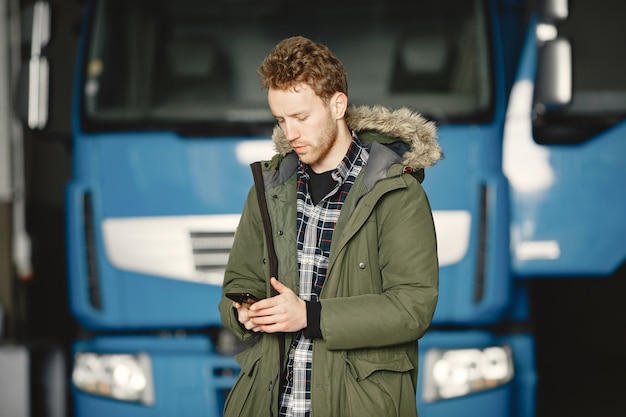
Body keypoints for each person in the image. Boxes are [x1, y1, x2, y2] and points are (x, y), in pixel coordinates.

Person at [219, 36, 441, 417]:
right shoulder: (269, 189)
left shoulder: (396, 192)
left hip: (356, 404)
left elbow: (412, 307)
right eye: (281, 120)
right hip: (270, 403)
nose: (290, 133)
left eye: (301, 117)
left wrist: (310, 316)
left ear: (337, 105)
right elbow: (235, 285)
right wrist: (245, 311)